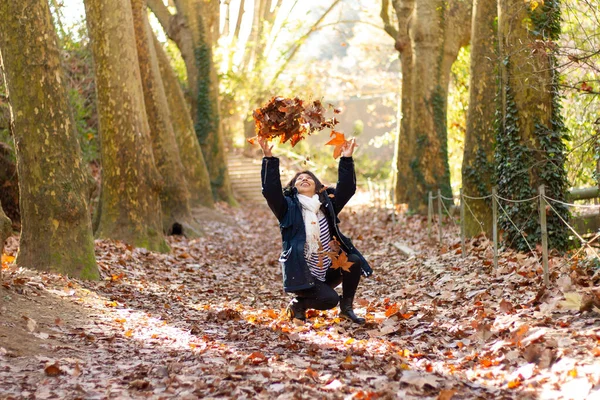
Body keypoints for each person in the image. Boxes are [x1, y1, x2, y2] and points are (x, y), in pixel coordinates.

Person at [258, 136, 373, 324]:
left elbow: (347, 189)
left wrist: (346, 158)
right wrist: (269, 159)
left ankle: (347, 309)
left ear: (318, 186)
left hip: (325, 268)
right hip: (301, 273)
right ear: (293, 187)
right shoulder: (287, 208)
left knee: (353, 260)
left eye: (308, 178)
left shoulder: (326, 206)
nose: (304, 179)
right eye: (299, 178)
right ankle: (299, 304)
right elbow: (270, 191)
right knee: (329, 300)